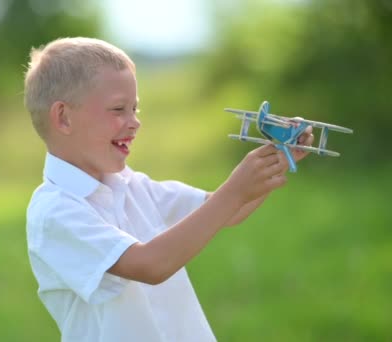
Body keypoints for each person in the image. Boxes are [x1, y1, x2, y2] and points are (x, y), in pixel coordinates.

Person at [23, 37, 313, 342]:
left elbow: (227, 211)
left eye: (135, 108)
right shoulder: (55, 212)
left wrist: (276, 159)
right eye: (118, 109)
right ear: (64, 117)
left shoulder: (132, 185)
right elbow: (150, 264)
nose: (135, 122)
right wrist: (236, 189)